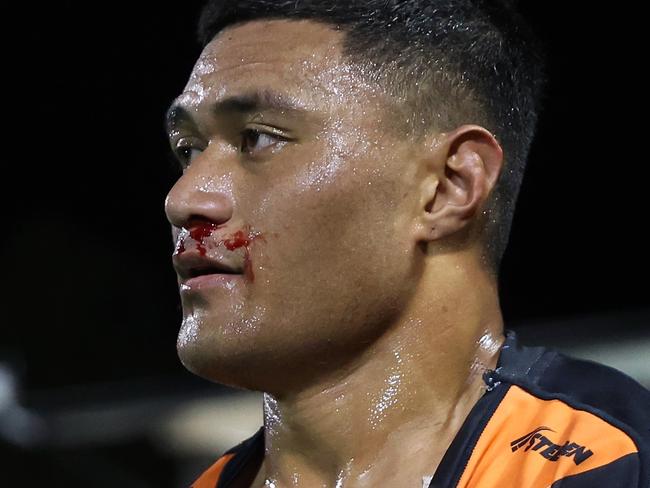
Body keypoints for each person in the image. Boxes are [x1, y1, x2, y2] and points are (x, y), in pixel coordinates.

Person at [163, 1, 650, 487]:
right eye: (189, 150)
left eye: (258, 139)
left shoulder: (609, 462)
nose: (183, 199)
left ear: (447, 187)